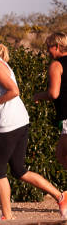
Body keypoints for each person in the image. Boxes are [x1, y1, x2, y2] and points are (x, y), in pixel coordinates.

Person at [0, 32, 67, 220]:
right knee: (18, 170)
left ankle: (7, 216)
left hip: (9, 124)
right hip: (18, 121)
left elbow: (14, 91)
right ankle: (60, 196)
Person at [33, 32, 67, 169]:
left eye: (49, 47)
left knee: (61, 155)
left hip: (66, 116)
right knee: (61, 155)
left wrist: (38, 96)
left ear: (57, 46)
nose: (47, 51)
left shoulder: (56, 65)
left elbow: (53, 93)